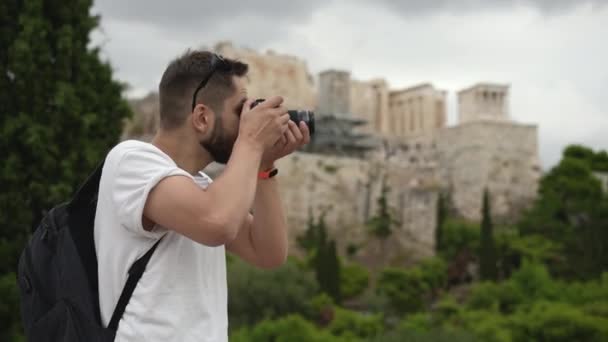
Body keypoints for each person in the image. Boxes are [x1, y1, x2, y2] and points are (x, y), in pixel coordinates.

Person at [93, 50, 310, 341]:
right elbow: (216, 223)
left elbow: (268, 253)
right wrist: (251, 142)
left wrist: (264, 167)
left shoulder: (203, 187)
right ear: (202, 117)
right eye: (240, 110)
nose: (247, 122)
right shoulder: (131, 161)